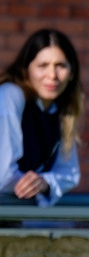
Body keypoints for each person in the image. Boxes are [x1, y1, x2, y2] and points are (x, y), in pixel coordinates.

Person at [0, 28, 83, 206]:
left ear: (72, 72)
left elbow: (70, 174)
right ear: (25, 69)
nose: (52, 76)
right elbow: (3, 176)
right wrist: (34, 187)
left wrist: (45, 182)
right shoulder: (10, 96)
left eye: (60, 66)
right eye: (42, 65)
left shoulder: (61, 112)